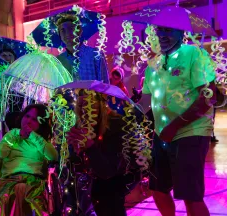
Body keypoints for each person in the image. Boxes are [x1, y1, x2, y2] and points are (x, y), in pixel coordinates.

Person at [139, 26, 216, 216]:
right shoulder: (153, 64)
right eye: (160, 31)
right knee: (157, 189)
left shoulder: (194, 54)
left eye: (169, 31)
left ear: (181, 33)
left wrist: (175, 125)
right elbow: (144, 102)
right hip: (161, 134)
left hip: (190, 133)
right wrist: (118, 106)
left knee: (190, 195)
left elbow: (208, 97)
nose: (163, 35)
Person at [67, 91, 131, 216]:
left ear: (100, 104)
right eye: (80, 105)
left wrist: (90, 147)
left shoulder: (116, 122)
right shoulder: (82, 125)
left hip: (112, 188)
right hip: (91, 189)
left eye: (88, 104)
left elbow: (108, 171)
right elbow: (76, 163)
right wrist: (75, 149)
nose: (84, 109)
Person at [0, 104, 58, 216]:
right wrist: (17, 135)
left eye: (33, 119)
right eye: (27, 116)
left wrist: (33, 136)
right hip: (9, 180)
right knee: (8, 197)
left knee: (29, 197)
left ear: (40, 123)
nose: (28, 121)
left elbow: (53, 156)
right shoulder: (12, 134)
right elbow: (1, 153)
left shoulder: (40, 140)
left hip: (34, 182)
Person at [55, 13, 109, 84]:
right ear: (60, 35)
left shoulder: (96, 55)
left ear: (79, 31)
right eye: (63, 30)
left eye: (71, 28)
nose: (67, 33)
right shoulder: (59, 61)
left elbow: (105, 87)